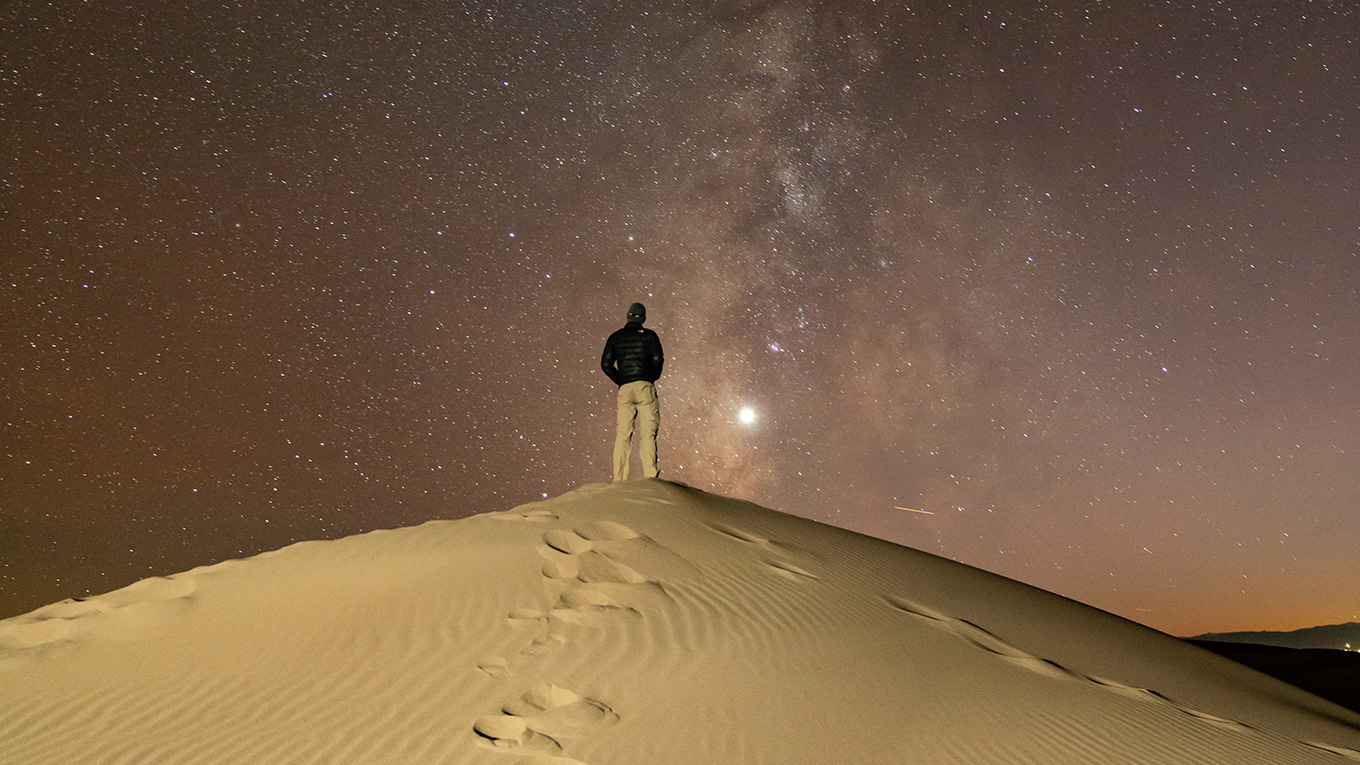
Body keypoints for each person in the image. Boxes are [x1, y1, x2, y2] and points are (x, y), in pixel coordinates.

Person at [601, 302, 664, 481]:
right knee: (648, 434)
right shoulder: (650, 336)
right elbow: (658, 359)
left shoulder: (615, 338)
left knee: (623, 435)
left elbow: (605, 364)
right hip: (645, 388)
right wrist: (650, 377)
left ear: (627, 316)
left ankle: (619, 479)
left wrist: (621, 380)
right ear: (643, 318)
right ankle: (651, 477)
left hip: (626, 390)